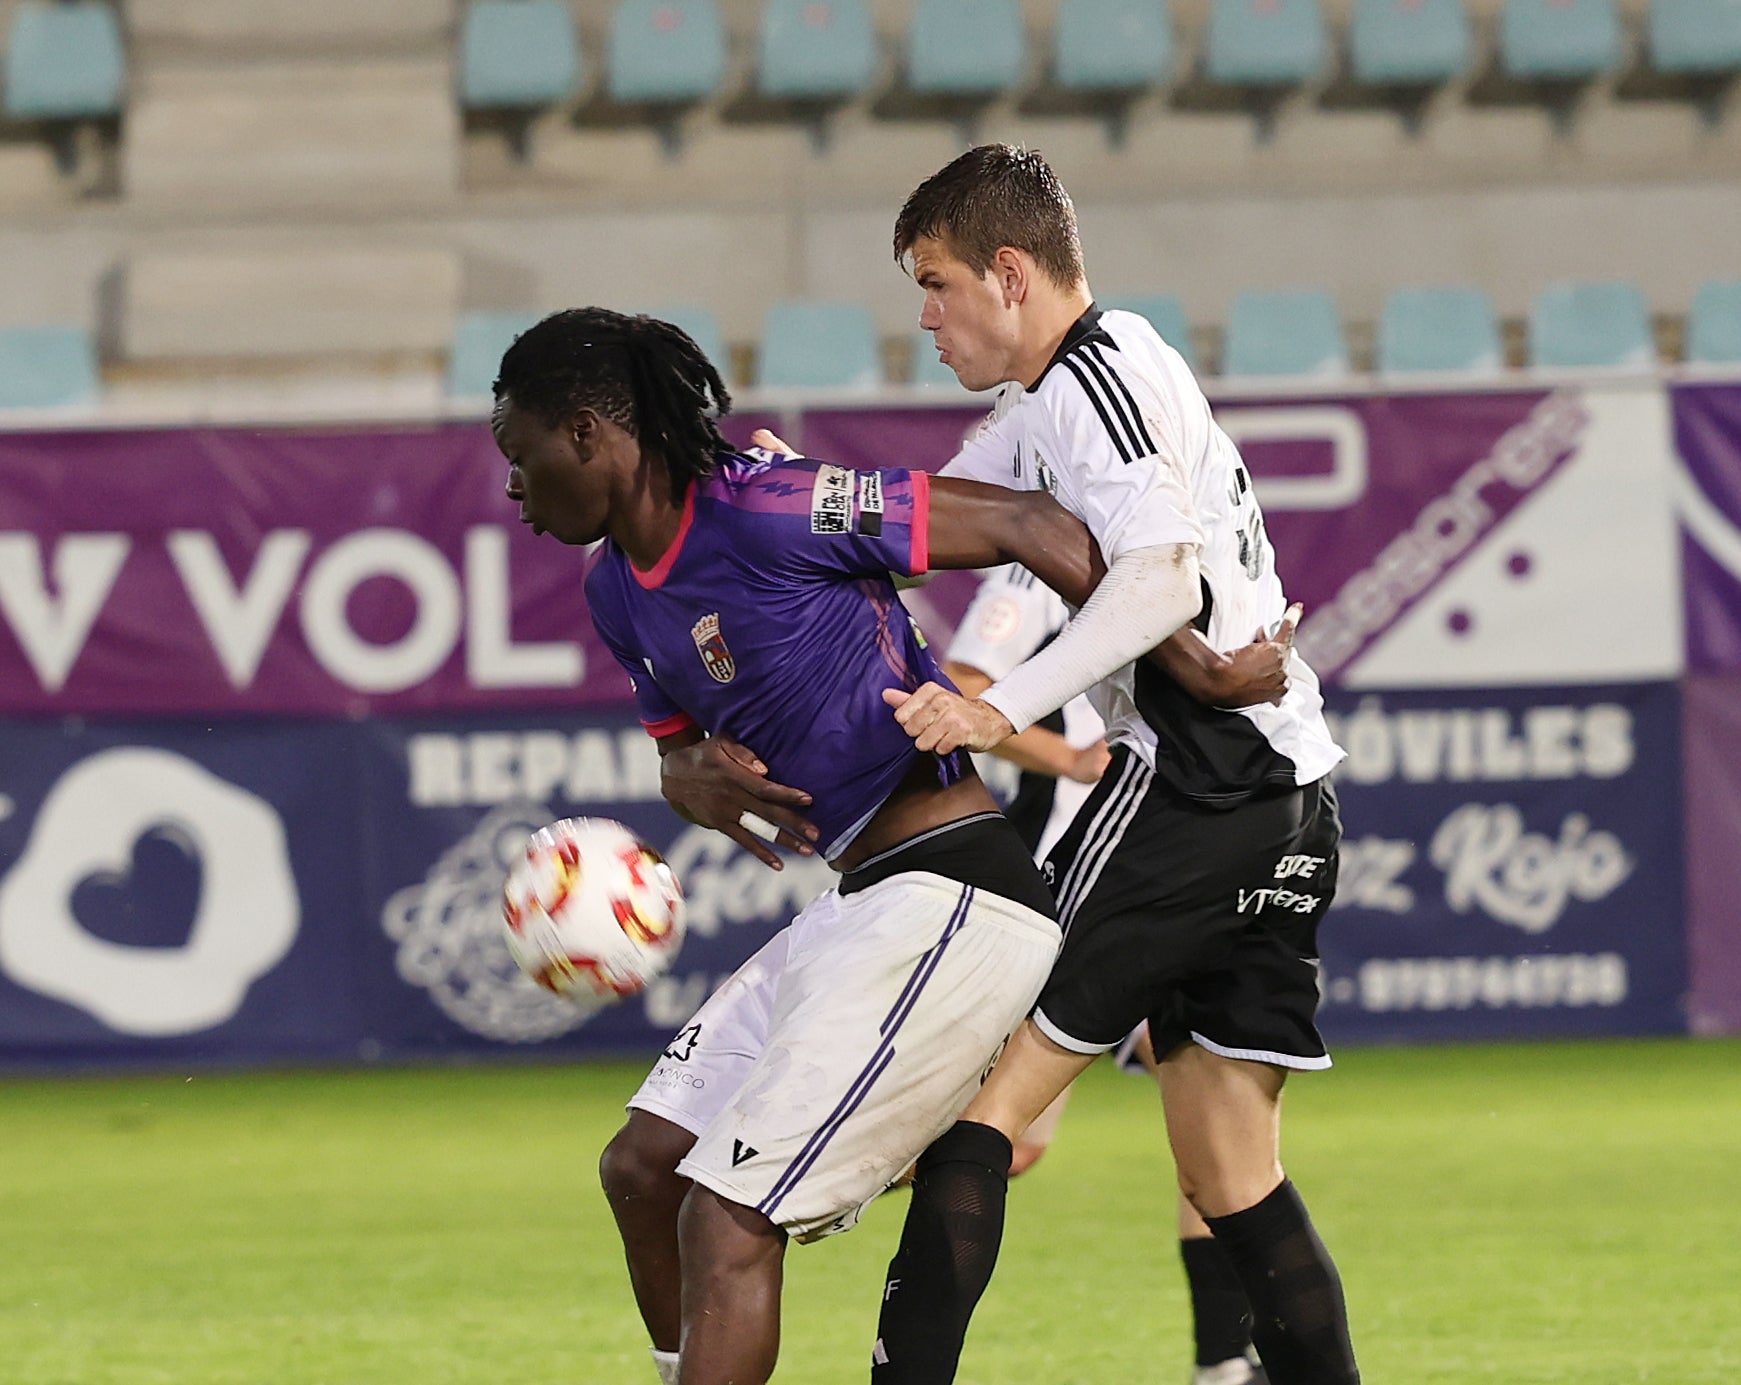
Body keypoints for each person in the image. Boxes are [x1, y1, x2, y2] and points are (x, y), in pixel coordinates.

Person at [490, 307, 1207, 1385]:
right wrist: (680, 776)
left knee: (731, 1218)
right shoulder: (611, 590)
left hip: (955, 893)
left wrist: (1186, 658)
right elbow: (683, 752)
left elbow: (1021, 520)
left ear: (588, 433)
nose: (512, 486)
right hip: (859, 899)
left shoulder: (772, 508)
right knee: (645, 1168)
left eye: (520, 452)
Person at [856, 145, 1360, 1385]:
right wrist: (785, 492)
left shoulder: (1096, 382)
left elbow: (1159, 574)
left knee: (982, 1105)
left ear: (1009, 273)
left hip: (1196, 783)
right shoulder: (1074, 391)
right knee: (1231, 1171)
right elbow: (934, 509)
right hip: (1287, 794)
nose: (924, 315)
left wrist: (997, 710)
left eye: (935, 282)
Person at [944, 561, 1296, 1385]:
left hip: (1178, 873)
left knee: (1217, 1132)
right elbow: (962, 688)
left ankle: (1222, 1361)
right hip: (1073, 893)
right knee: (1000, 1139)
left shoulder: (1174, 560)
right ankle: (827, 1179)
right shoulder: (1029, 569)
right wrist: (1066, 758)